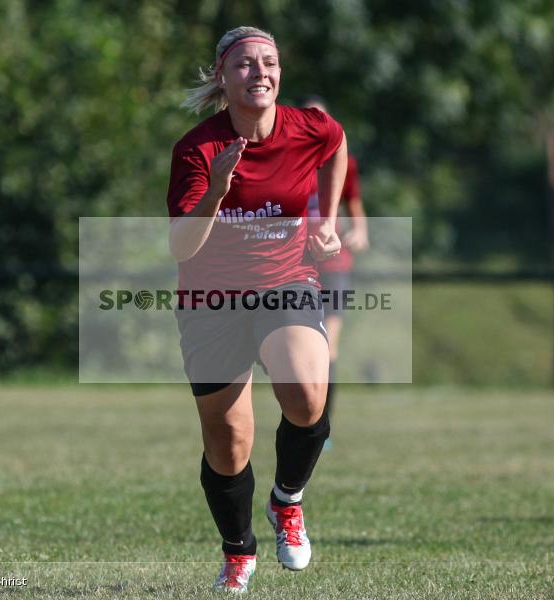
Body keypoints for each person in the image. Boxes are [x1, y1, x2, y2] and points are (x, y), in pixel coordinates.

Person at [167, 27, 347, 592]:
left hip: (286, 282)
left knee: (307, 392)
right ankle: (238, 550)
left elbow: (337, 144)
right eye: (245, 64)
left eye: (269, 62)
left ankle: (287, 501)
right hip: (211, 301)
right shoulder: (197, 149)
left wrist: (327, 221)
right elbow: (180, 247)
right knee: (228, 443)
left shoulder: (307, 126)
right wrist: (216, 191)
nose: (260, 72)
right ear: (223, 77)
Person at [303, 96, 369, 450]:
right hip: (296, 266)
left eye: (322, 119)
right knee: (299, 350)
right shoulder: (288, 161)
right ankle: (303, 421)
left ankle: (321, 429)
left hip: (334, 265)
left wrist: (359, 232)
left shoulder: (344, 162)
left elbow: (355, 208)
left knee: (327, 347)